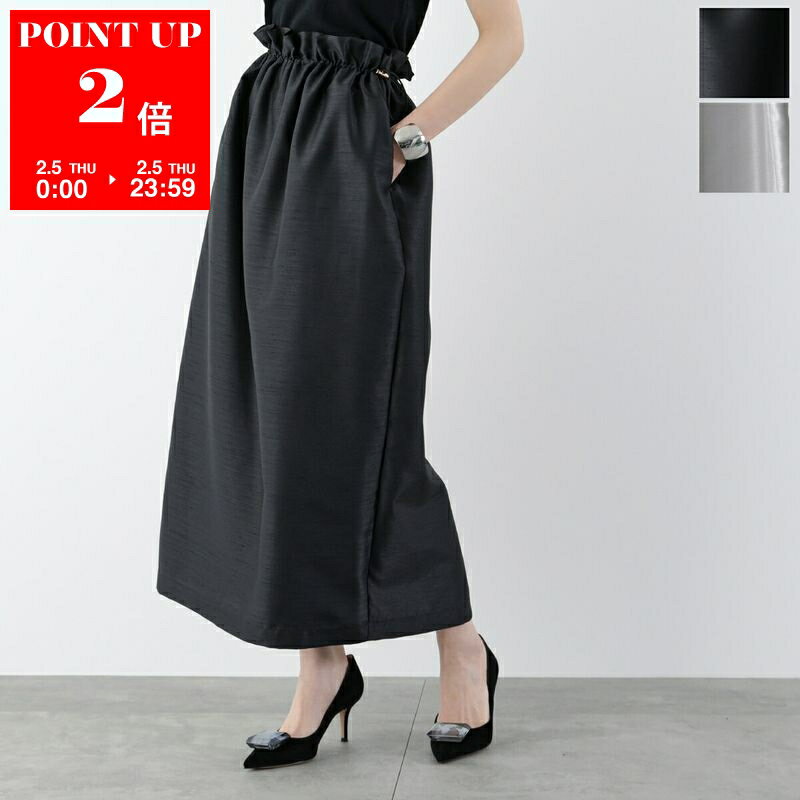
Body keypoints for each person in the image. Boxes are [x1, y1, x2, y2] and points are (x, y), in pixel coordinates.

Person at [157, 0, 523, 768]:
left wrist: (403, 141)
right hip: (266, 125)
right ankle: (322, 665)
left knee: (363, 422)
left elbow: (504, 40)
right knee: (277, 410)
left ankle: (462, 647)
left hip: (356, 143)